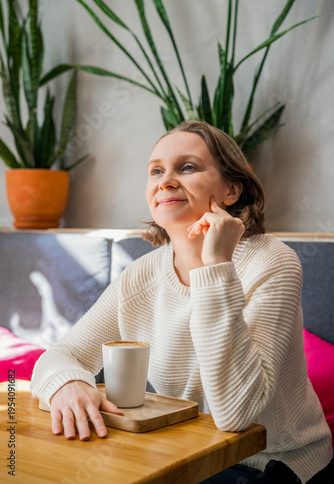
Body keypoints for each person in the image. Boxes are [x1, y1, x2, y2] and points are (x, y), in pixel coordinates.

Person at [31, 121, 333, 484]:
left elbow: (235, 414)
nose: (166, 181)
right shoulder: (140, 275)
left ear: (232, 190)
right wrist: (67, 384)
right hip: (188, 450)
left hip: (269, 460)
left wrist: (216, 265)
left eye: (187, 167)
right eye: (156, 170)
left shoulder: (272, 262)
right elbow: (60, 356)